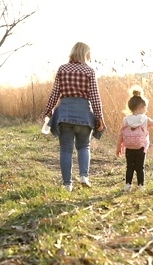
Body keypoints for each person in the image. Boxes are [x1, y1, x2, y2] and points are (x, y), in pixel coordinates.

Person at [41, 42, 105, 192]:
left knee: (65, 150)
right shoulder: (89, 71)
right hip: (84, 115)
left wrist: (48, 111)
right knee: (84, 146)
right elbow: (95, 97)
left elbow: (55, 93)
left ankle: (67, 184)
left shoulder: (62, 69)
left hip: (65, 115)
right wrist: (99, 118)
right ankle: (84, 176)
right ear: (85, 54)